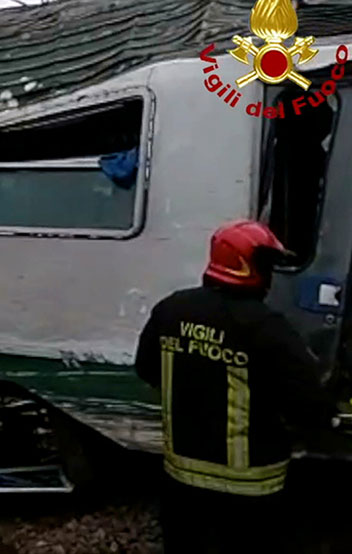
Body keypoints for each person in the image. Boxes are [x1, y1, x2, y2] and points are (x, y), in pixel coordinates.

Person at [135, 220, 334, 553]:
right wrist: (327, 419)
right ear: (247, 266)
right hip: (251, 486)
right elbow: (306, 402)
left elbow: (146, 369)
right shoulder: (265, 326)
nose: (270, 275)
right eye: (266, 265)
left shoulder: (171, 310)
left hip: (182, 479)